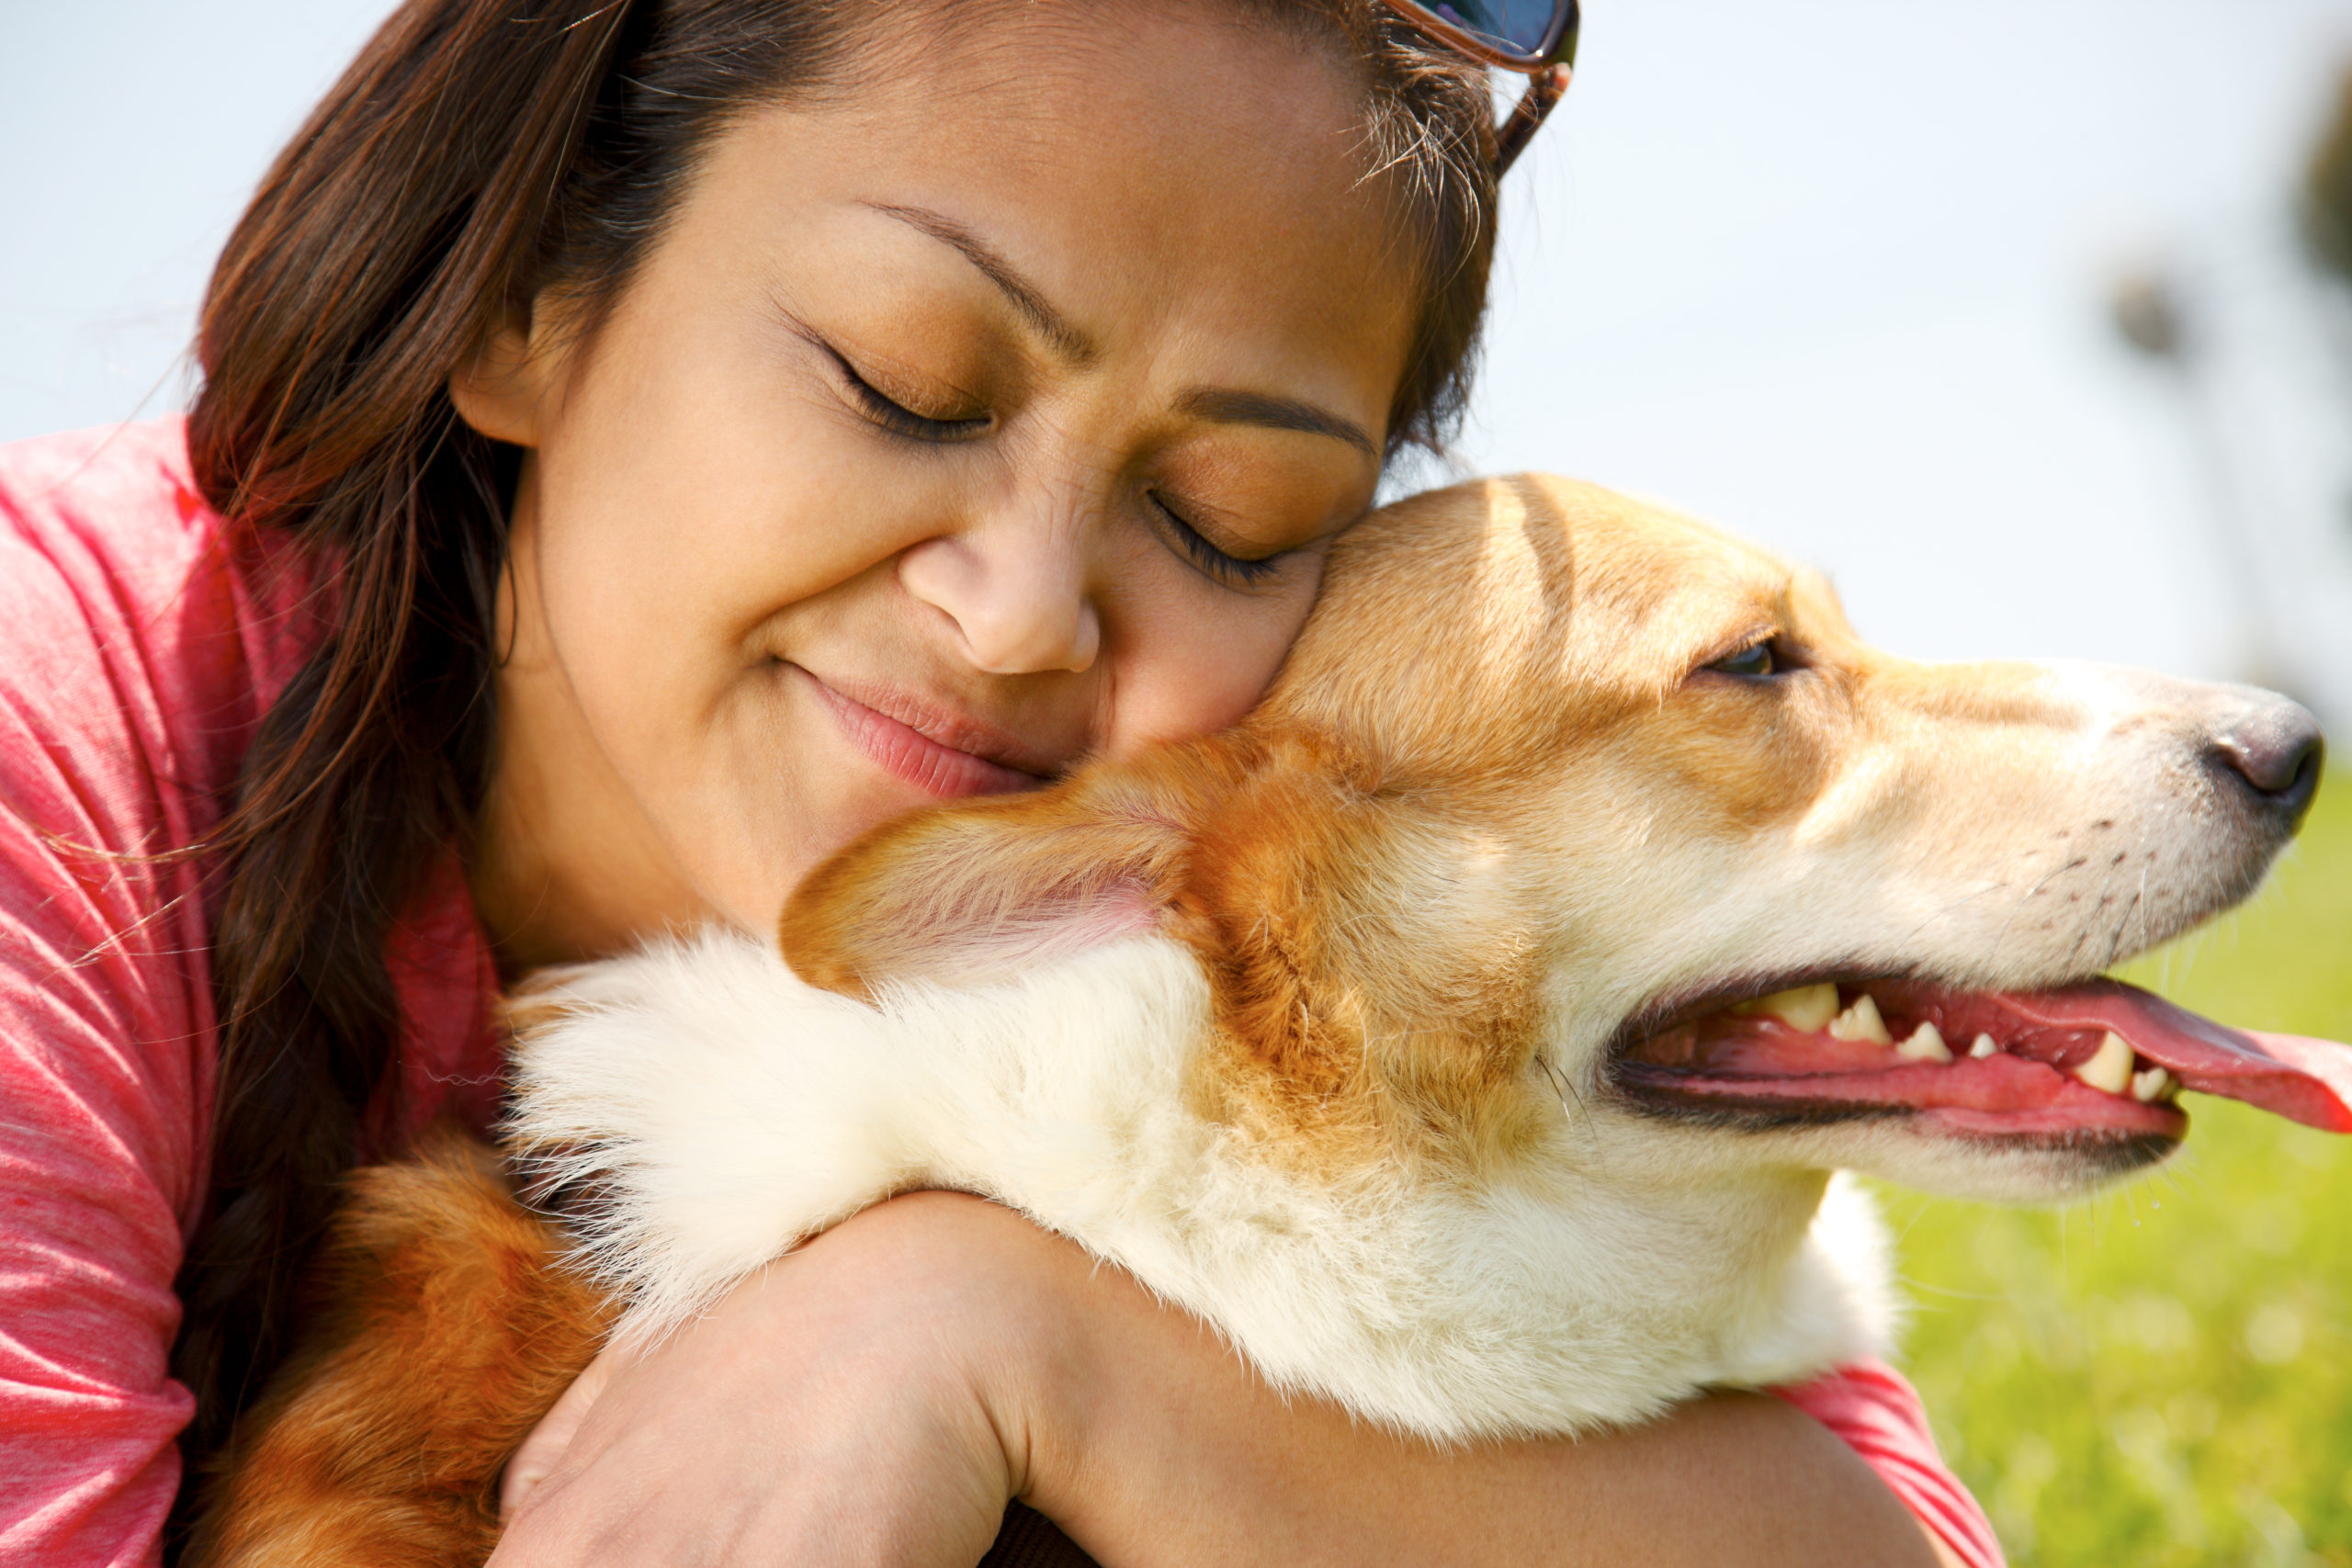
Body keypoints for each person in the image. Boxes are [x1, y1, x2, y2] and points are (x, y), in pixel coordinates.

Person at [0, 2, 2002, 1563]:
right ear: (521, 286)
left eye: (1232, 514)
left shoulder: (1206, 882)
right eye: (904, 384)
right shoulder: (57, 712)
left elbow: (1870, 1525)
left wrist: (1002, 1341)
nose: (1024, 613)